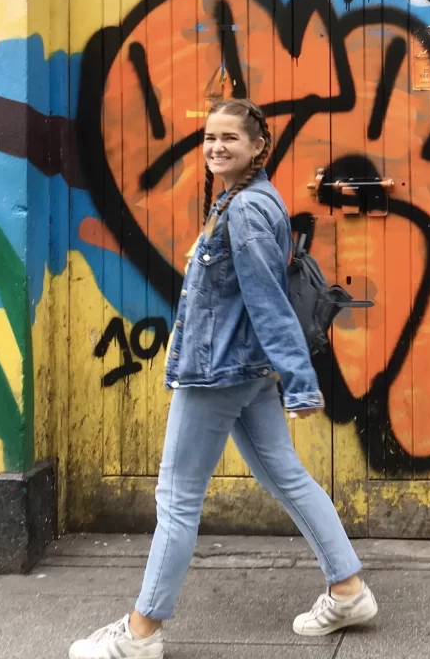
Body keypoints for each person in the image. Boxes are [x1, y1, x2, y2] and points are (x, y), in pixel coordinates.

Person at [69, 98, 377, 659]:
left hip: (218, 373)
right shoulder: (242, 199)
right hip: (243, 368)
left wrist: (302, 382)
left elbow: (269, 302)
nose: (215, 147)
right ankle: (348, 589)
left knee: (177, 499)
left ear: (259, 147)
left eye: (230, 138)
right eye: (210, 137)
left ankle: (141, 632)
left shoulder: (245, 211)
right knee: (286, 477)